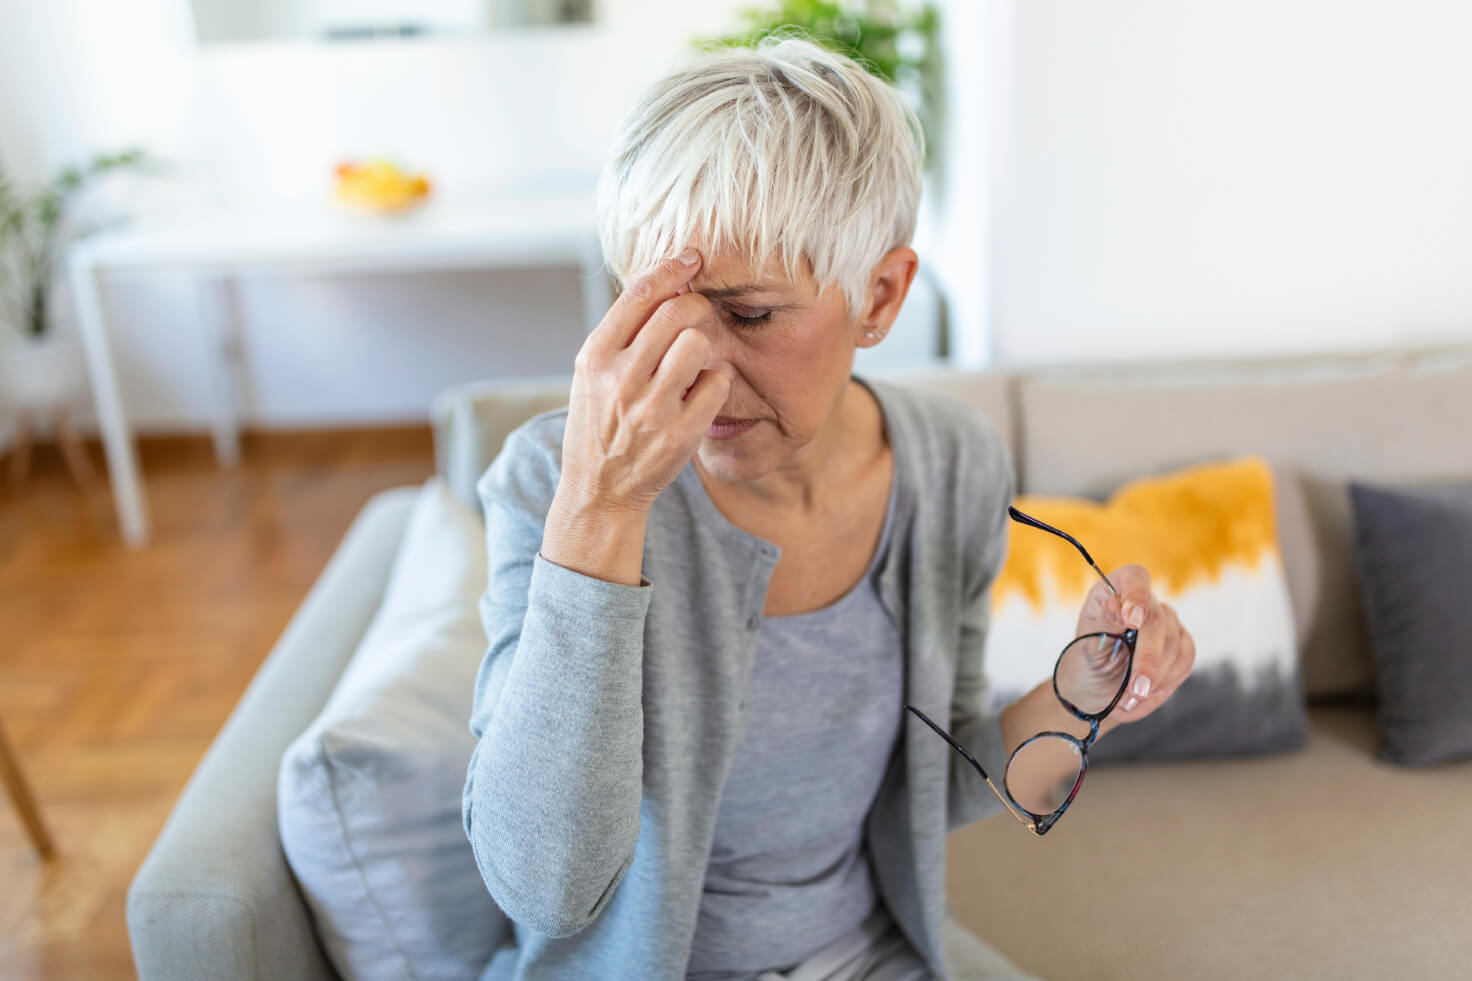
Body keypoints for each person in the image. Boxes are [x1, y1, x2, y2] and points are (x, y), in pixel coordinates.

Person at [462, 36, 1196, 981]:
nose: (693, 366)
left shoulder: (953, 466)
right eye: (653, 309)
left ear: (880, 296)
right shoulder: (550, 484)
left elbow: (937, 794)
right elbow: (543, 888)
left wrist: (1078, 700)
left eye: (752, 314)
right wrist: (600, 507)